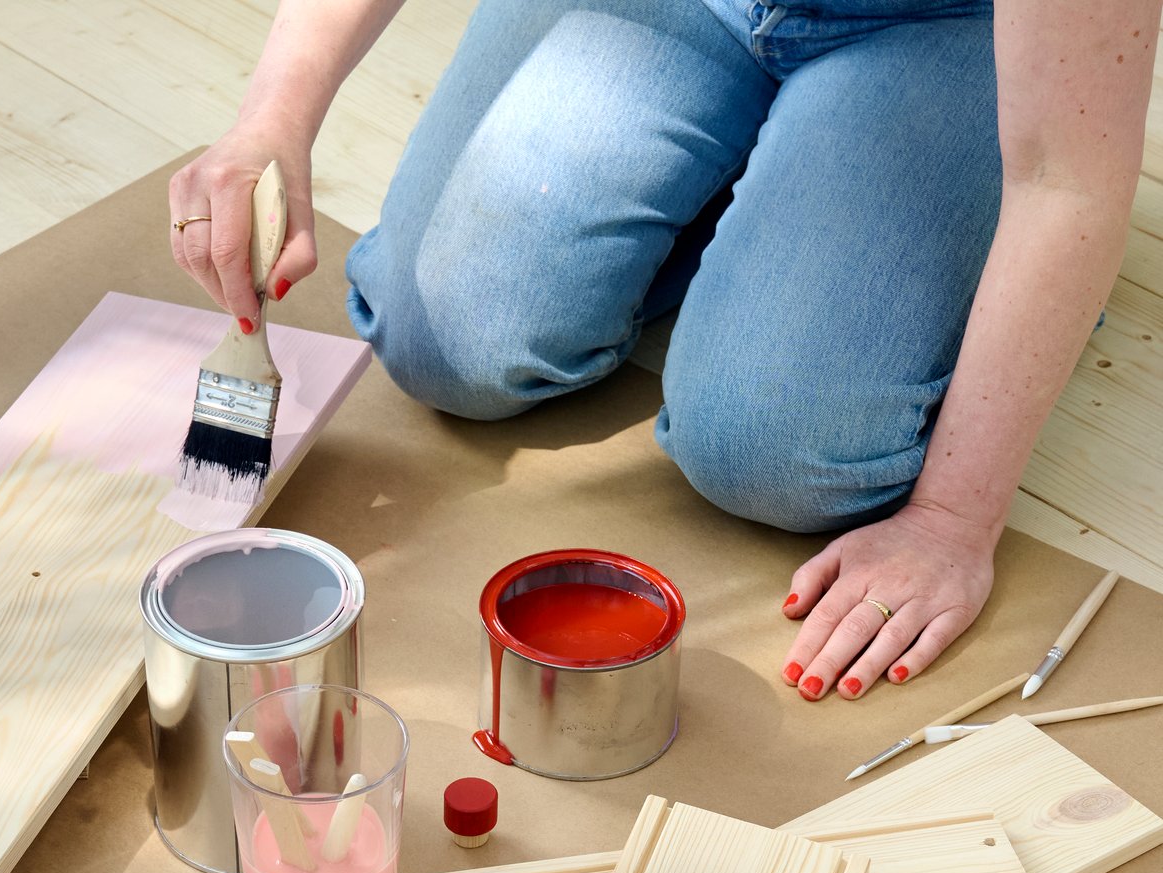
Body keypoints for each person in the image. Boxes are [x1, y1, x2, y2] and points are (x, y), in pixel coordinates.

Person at [169, 0, 1157, 700]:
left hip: (945, 27)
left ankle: (888, 207)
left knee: (778, 451)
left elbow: (1065, 182)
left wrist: (949, 523)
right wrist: (271, 118)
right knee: (445, 341)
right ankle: (753, 171)